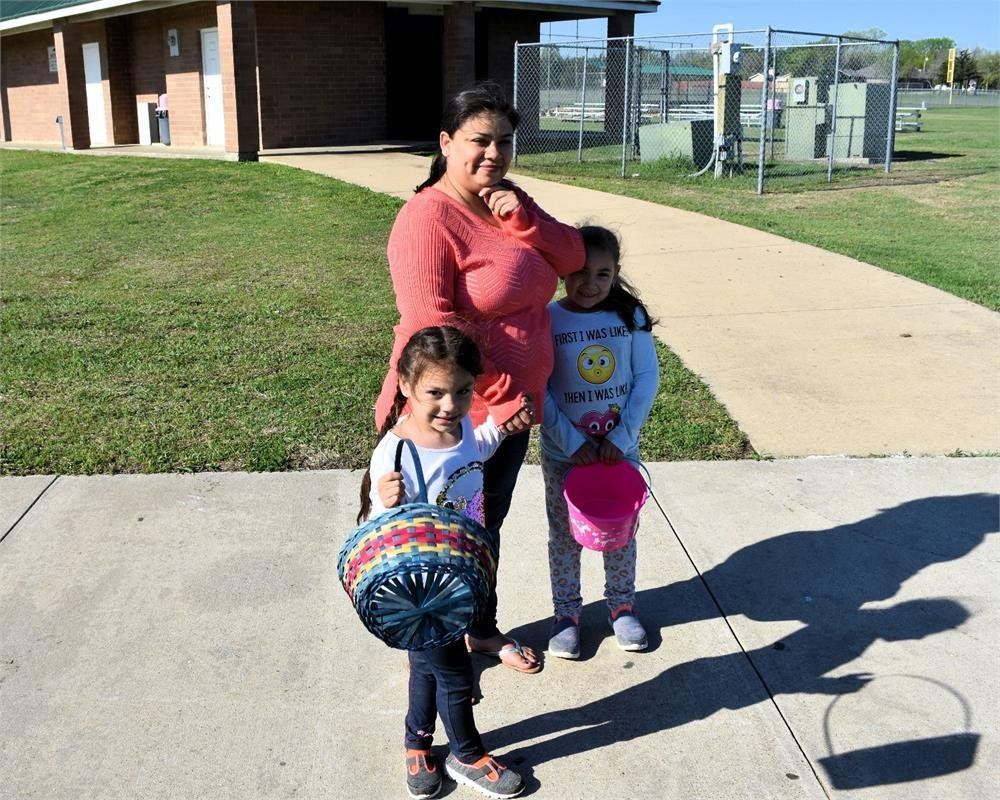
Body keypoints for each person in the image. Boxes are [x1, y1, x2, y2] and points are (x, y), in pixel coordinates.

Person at [375, 81, 585, 673]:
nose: (493, 154)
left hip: (510, 411)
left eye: (504, 142)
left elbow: (572, 259)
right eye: (478, 141)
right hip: (457, 417)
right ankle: (440, 657)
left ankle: (479, 631)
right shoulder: (426, 217)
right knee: (448, 537)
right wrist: (499, 398)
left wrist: (525, 220)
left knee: (485, 525)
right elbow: (429, 323)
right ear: (446, 144)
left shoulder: (506, 200)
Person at [360, 326, 530, 800]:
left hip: (459, 579)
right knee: (455, 672)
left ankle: (417, 743)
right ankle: (467, 754)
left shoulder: (463, 429)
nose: (449, 405)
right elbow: (378, 531)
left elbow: (475, 452)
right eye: (435, 393)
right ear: (407, 388)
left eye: (462, 392)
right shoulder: (397, 449)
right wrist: (383, 500)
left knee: (425, 667)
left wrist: (503, 427)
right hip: (422, 589)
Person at [539, 225, 660, 659]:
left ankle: (621, 606)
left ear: (617, 274)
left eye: (603, 274)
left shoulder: (630, 317)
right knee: (564, 537)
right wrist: (571, 442)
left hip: (617, 456)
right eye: (579, 272)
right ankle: (567, 614)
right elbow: (541, 387)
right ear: (562, 271)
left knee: (621, 534)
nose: (590, 284)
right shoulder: (549, 318)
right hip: (563, 456)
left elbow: (646, 378)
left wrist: (622, 437)